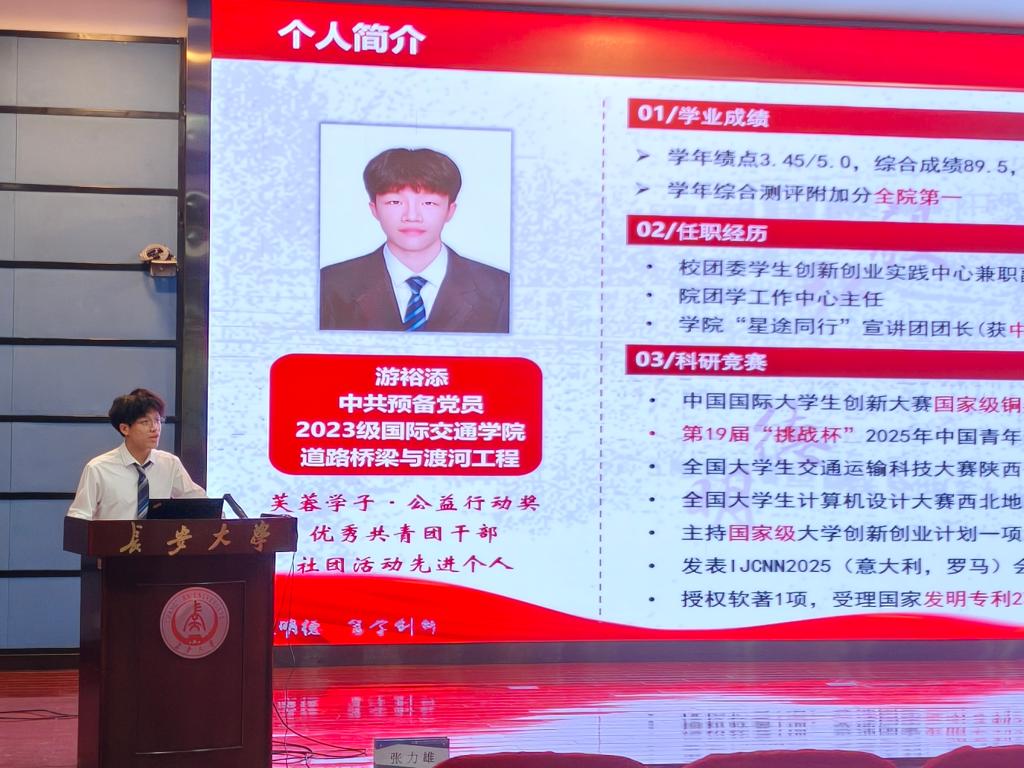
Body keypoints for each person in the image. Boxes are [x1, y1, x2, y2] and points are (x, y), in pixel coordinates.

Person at [319, 147, 510, 333]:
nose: (412, 216)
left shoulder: (500, 289)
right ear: (374, 209)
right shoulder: (329, 285)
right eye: (395, 202)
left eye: (429, 203)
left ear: (450, 211)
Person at [66, 388, 205, 520]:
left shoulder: (170, 464)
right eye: (145, 422)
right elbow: (79, 516)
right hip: (114, 538)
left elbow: (200, 504)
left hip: (156, 538)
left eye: (157, 420)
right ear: (125, 429)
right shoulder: (98, 468)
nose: (155, 428)